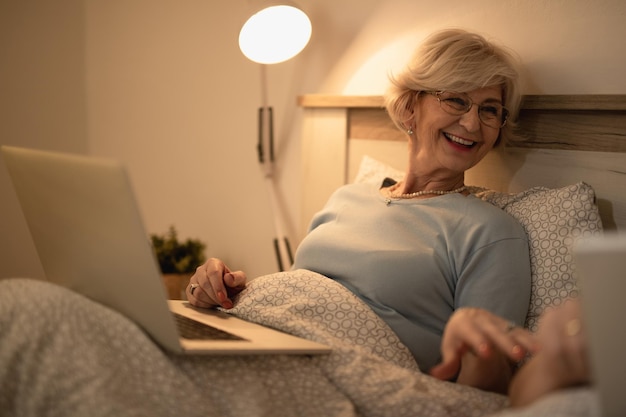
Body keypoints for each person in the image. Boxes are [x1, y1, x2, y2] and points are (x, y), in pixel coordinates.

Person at [187, 28, 534, 395]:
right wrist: (214, 289)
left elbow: (483, 394)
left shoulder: (491, 232)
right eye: (456, 101)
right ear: (409, 107)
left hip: (338, 382)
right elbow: (301, 299)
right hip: (261, 342)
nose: (472, 123)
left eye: (490, 110)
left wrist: (479, 350)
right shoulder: (347, 197)